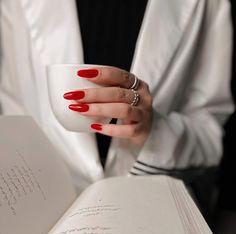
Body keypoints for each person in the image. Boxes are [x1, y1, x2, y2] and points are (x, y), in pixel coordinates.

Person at [0, 0, 234, 196]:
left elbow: (210, 136)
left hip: (149, 210)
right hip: (44, 209)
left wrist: (153, 130)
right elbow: (12, 117)